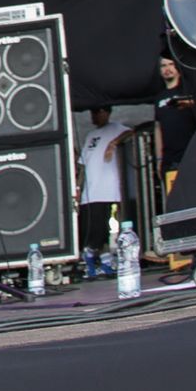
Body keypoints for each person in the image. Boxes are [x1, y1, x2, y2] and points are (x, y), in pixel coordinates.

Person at [75, 106, 132, 277]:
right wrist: (78, 187)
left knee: (102, 228)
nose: (95, 116)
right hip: (90, 192)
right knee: (90, 229)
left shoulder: (116, 128)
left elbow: (132, 132)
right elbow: (83, 164)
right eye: (93, 112)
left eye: (98, 112)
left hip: (107, 190)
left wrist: (113, 143)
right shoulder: (90, 135)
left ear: (106, 113)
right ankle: (97, 261)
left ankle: (104, 262)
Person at [151, 56, 196, 175]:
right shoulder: (158, 98)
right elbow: (157, 129)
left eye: (171, 64)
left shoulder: (188, 91)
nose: (167, 68)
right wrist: (159, 159)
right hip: (169, 159)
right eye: (163, 66)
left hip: (190, 154)